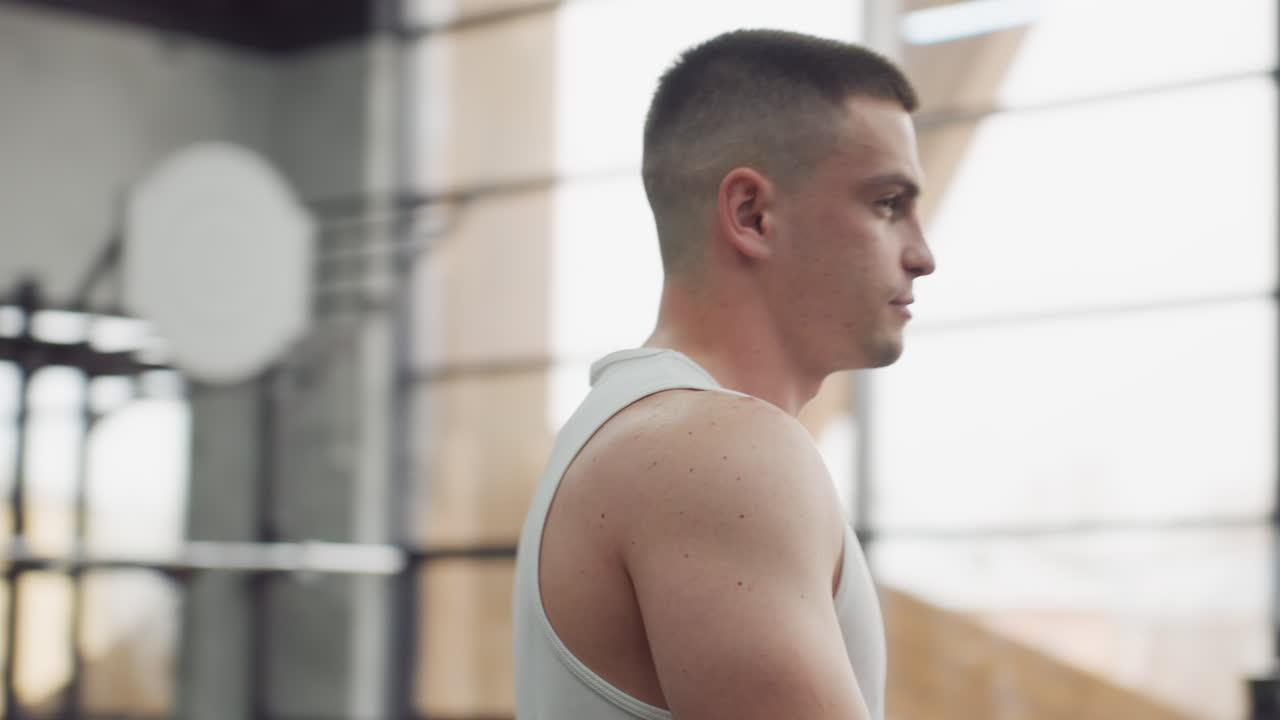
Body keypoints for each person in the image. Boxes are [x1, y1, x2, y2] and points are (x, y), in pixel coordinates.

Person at [513, 28, 934, 720]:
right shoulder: (715, 448)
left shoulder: (637, 426)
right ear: (752, 215)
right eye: (888, 204)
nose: (923, 255)